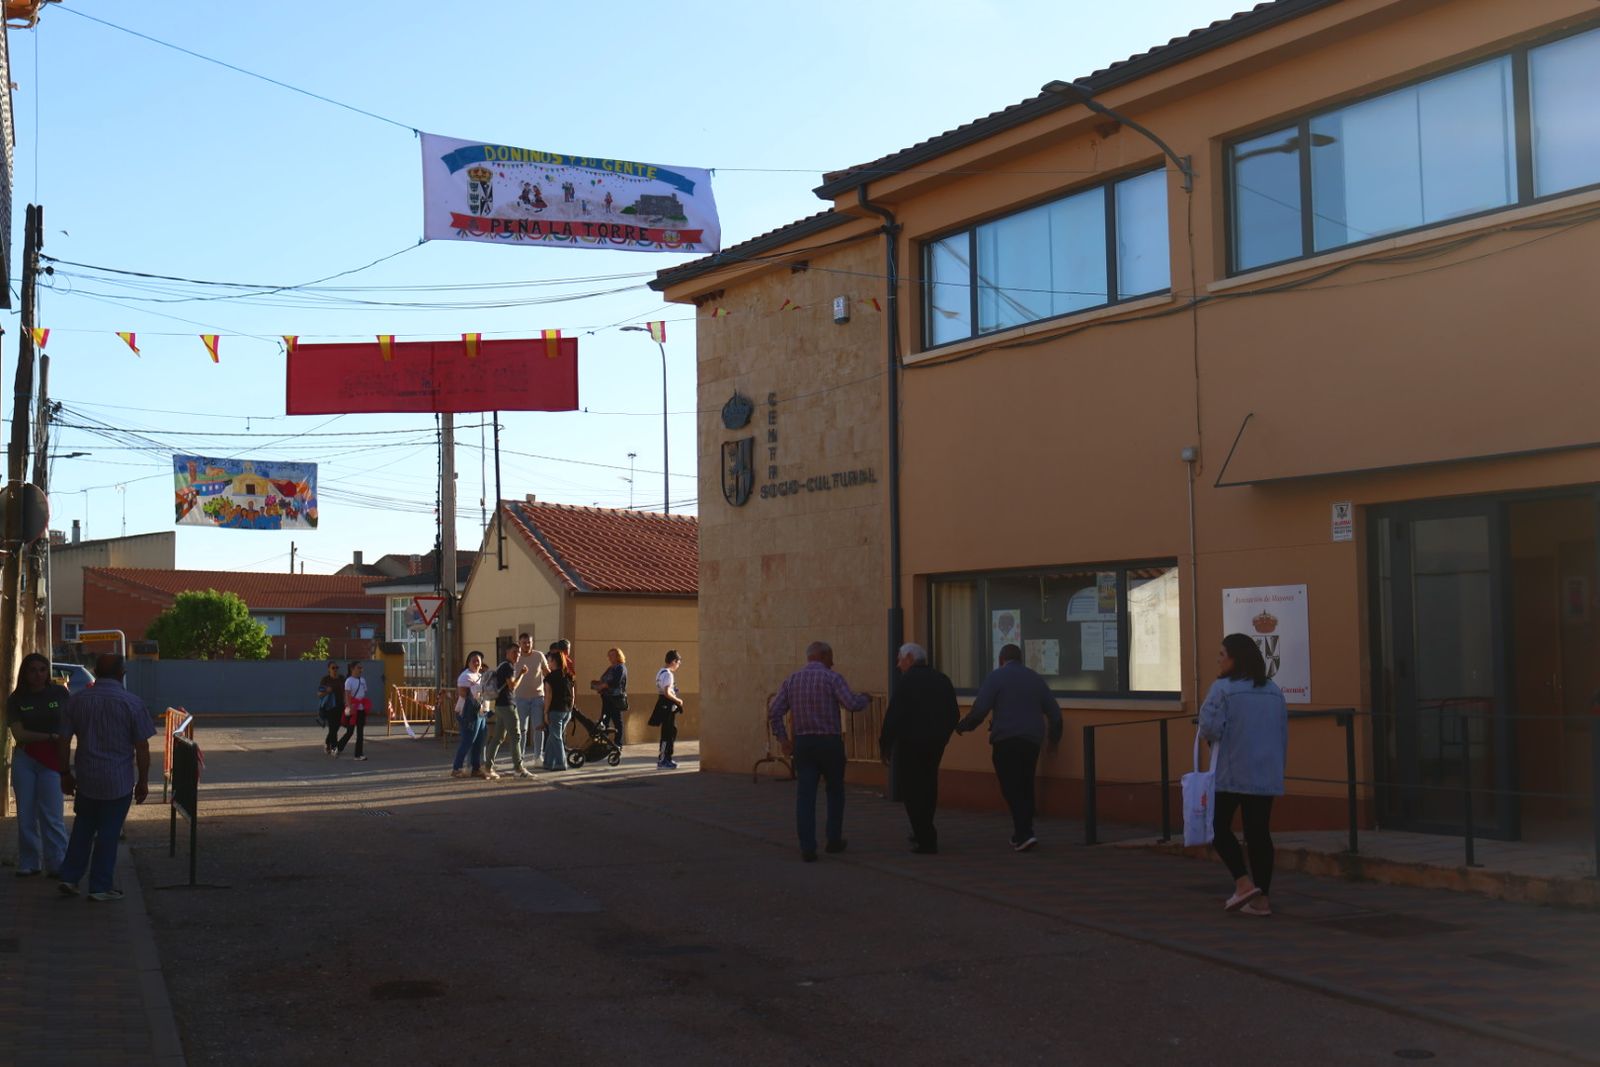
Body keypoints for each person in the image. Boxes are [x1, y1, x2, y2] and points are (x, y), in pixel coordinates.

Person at [1200, 633, 1288, 917]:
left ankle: (1242, 882)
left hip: (1231, 771)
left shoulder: (1222, 688)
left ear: (1235, 658)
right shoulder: (1274, 690)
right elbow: (1282, 731)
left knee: (1217, 827)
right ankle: (1261, 899)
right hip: (1265, 771)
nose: (1218, 659)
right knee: (1259, 834)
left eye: (1222, 654)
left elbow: (1210, 728)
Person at [55, 654, 156, 902]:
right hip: (118, 780)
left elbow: (63, 740)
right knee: (109, 834)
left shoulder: (77, 701)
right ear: (122, 673)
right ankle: (100, 886)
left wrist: (65, 773)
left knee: (83, 829)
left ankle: (69, 877)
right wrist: (143, 780)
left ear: (96, 672)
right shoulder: (132, 703)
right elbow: (142, 747)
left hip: (86, 777)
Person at [768, 641, 869, 862]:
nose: (833, 662)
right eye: (831, 657)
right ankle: (833, 839)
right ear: (823, 656)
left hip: (804, 744)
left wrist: (783, 739)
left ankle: (807, 847)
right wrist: (865, 699)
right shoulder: (832, 678)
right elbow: (851, 703)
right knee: (834, 791)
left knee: (805, 795)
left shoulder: (792, 680)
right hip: (829, 743)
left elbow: (774, 711)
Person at [956, 643, 1061, 852]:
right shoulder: (1035, 679)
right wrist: (1053, 740)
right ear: (1021, 659)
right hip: (1031, 740)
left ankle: (1024, 833)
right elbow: (1055, 713)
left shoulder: (996, 677)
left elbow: (981, 708)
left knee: (1011, 786)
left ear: (1001, 660)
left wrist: (965, 726)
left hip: (1007, 740)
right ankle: (1023, 831)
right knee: (1025, 782)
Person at [879, 643, 958, 855]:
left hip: (910, 744)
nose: (898, 664)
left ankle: (925, 837)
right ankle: (923, 830)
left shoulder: (908, 682)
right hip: (935, 743)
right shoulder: (942, 679)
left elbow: (894, 716)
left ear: (910, 658)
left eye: (900, 659)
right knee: (928, 784)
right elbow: (953, 713)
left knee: (912, 790)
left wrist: (885, 745)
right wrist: (943, 736)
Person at [8, 653, 69, 878]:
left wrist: (59, 743)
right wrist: (50, 736)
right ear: (25, 672)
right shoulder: (16, 699)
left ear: (48, 672)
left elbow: (69, 725)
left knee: (52, 814)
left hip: (52, 761)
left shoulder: (60, 693)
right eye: (32, 670)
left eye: (42, 669)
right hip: (25, 759)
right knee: (26, 813)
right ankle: (29, 861)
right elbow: (19, 733)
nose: (38, 675)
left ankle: (58, 861)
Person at [486, 645, 532, 779]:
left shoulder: (502, 665)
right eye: (514, 652)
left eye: (518, 653)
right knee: (516, 736)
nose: (517, 655)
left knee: (498, 737)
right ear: (507, 652)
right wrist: (522, 674)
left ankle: (488, 767)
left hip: (500, 706)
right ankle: (519, 768)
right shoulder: (508, 667)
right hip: (507, 705)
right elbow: (512, 686)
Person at [452, 651, 490, 779]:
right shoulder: (465, 676)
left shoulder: (480, 676)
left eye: (478, 660)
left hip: (480, 713)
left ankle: (476, 768)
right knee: (468, 741)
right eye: (473, 660)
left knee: (479, 741)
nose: (476, 662)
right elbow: (463, 693)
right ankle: (456, 768)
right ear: (468, 662)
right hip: (468, 713)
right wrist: (478, 690)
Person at [513, 634, 549, 766]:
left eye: (529, 642)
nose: (527, 645)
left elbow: (547, 673)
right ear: (519, 643)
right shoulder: (516, 658)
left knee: (538, 728)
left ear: (532, 643)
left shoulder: (539, 655)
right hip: (520, 698)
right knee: (521, 729)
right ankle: (520, 758)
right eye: (524, 643)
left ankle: (538, 757)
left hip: (537, 697)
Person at [543, 649, 576, 771]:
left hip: (555, 711)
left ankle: (561, 763)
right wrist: (570, 708)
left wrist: (545, 712)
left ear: (553, 662)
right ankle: (548, 762)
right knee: (554, 736)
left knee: (556, 737)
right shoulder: (568, 676)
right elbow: (573, 695)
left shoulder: (549, 678)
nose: (548, 663)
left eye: (549, 661)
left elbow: (548, 696)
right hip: (566, 710)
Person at [651, 650, 685, 769]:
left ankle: (665, 758)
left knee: (670, 731)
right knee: (668, 733)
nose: (678, 665)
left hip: (663, 704)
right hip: (667, 704)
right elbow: (666, 692)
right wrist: (677, 700)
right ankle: (664, 759)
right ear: (674, 661)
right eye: (678, 662)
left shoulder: (660, 672)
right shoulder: (668, 674)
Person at [336, 661, 371, 761]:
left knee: (360, 732)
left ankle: (358, 754)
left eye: (361, 668)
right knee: (350, 731)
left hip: (361, 709)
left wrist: (364, 705)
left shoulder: (363, 680)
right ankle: (338, 747)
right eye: (358, 668)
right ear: (352, 669)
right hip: (353, 709)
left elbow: (363, 693)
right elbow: (347, 695)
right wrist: (349, 706)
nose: (361, 670)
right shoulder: (349, 681)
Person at [592, 647, 627, 745]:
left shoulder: (620, 667)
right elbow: (604, 679)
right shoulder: (611, 668)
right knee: (604, 720)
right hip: (607, 698)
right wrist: (598, 685)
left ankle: (618, 743)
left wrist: (603, 686)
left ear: (618, 656)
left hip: (615, 698)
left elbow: (615, 682)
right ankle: (603, 742)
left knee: (617, 721)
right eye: (609, 655)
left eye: (612, 655)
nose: (610, 658)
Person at [319, 661, 345, 755]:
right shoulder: (325, 679)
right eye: (333, 668)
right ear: (329, 669)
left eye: (336, 667)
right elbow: (319, 694)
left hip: (340, 706)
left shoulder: (342, 678)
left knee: (336, 727)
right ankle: (334, 747)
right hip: (330, 707)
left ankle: (327, 742)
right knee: (332, 727)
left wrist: (346, 703)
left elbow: (345, 691)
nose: (335, 670)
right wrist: (327, 691)